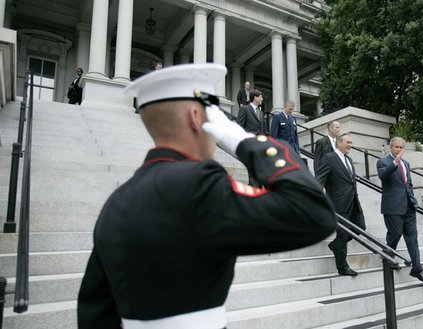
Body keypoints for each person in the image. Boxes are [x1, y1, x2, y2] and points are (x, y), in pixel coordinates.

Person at [76, 63, 336, 329]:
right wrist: (245, 141)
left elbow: (94, 312)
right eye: (217, 117)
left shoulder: (116, 201)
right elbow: (314, 213)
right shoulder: (201, 186)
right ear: (196, 118)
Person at [376, 137, 423, 284]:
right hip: (393, 206)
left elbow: (409, 184)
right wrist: (395, 161)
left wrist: (413, 200)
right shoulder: (383, 162)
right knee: (395, 234)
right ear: (391, 148)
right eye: (396, 147)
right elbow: (383, 176)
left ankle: (417, 269)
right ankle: (388, 256)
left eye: (401, 147)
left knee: (412, 239)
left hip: (409, 207)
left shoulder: (406, 163)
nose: (399, 150)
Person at [316, 133, 366, 276]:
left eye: (351, 142)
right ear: (339, 143)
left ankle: (335, 245)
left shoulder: (349, 159)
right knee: (343, 234)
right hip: (338, 204)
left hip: (353, 202)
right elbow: (319, 179)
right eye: (348, 142)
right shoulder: (329, 158)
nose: (350, 145)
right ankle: (342, 267)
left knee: (360, 228)